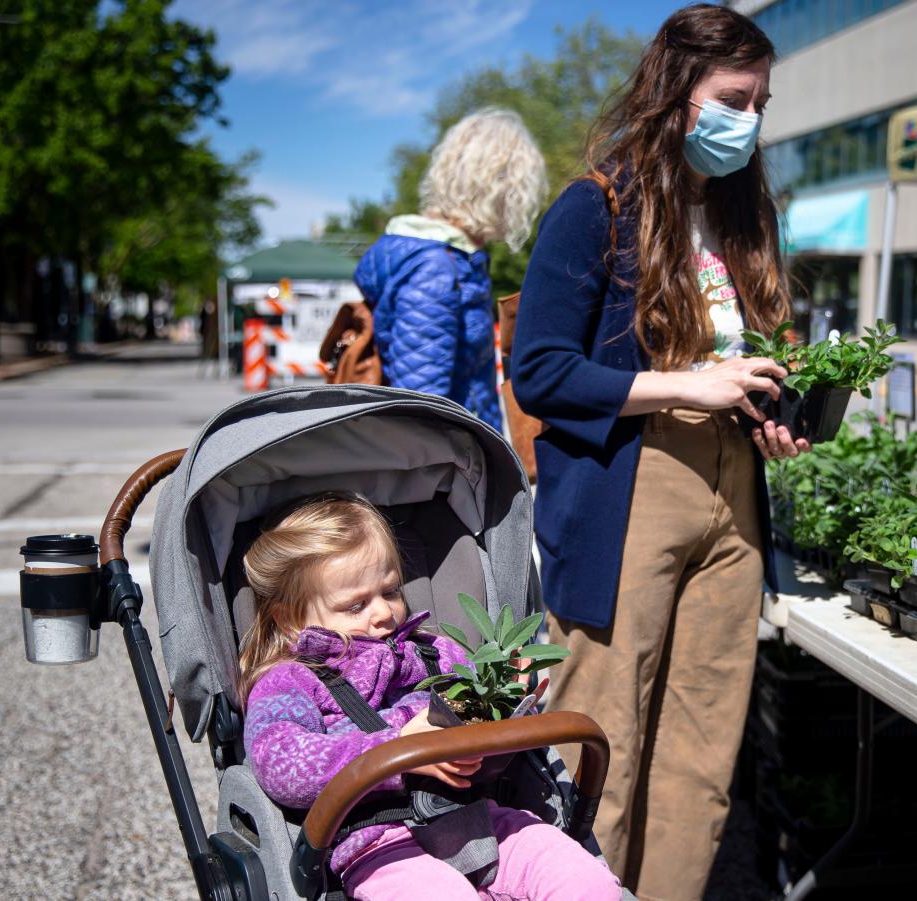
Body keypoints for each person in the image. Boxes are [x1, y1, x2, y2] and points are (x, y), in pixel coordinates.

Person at [510, 6, 808, 899]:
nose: (749, 122)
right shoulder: (595, 205)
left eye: (760, 103)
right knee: (602, 738)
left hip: (731, 493)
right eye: (733, 99)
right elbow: (541, 373)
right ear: (677, 94)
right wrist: (687, 386)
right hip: (630, 485)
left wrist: (771, 405)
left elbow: (735, 360)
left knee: (702, 749)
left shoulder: (742, 217)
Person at [238, 493, 621, 901]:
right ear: (289, 618)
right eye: (355, 606)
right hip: (378, 844)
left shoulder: (438, 652)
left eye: (390, 591)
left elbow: (486, 749)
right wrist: (399, 745)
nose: (383, 612)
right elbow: (281, 763)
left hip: (478, 819)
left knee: (586, 883)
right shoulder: (290, 681)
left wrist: (506, 698)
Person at [353, 108, 547, 429]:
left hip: (457, 461)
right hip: (446, 469)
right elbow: (419, 408)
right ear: (498, 189)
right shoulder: (436, 269)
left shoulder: (456, 262)